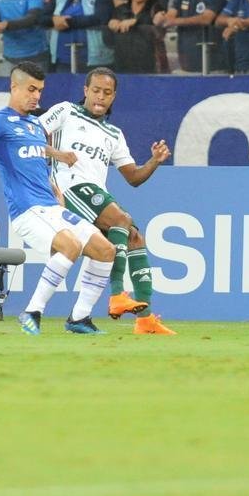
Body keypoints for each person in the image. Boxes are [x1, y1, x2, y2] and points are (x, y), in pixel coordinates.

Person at [0, 61, 118, 335]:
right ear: (13, 87)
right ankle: (32, 312)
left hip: (52, 207)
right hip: (27, 210)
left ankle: (79, 318)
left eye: (39, 90)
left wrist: (57, 193)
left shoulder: (35, 126)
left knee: (105, 250)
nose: (36, 96)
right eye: (30, 89)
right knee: (71, 246)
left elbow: (38, 162)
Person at [39, 68, 176, 334]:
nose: (100, 97)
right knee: (121, 220)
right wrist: (56, 155)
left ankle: (145, 320)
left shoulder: (114, 133)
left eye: (107, 92)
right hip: (69, 188)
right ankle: (117, 296)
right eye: (96, 91)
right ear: (85, 91)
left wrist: (154, 161)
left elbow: (133, 178)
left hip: (93, 193)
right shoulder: (66, 111)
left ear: (113, 96)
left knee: (134, 237)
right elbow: (28, 135)